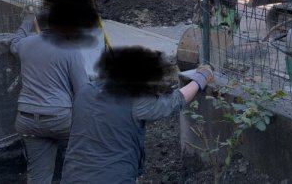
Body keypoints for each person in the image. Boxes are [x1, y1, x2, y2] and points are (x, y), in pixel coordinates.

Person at [61, 46, 214, 183]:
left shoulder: (84, 91)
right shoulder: (135, 100)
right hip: (113, 177)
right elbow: (174, 101)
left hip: (72, 175)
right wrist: (201, 78)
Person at [11, 0, 99, 184]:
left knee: (39, 176)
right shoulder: (70, 49)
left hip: (27, 120)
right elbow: (82, 91)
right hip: (61, 120)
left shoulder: (26, 44)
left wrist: (27, 21)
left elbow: (14, 42)